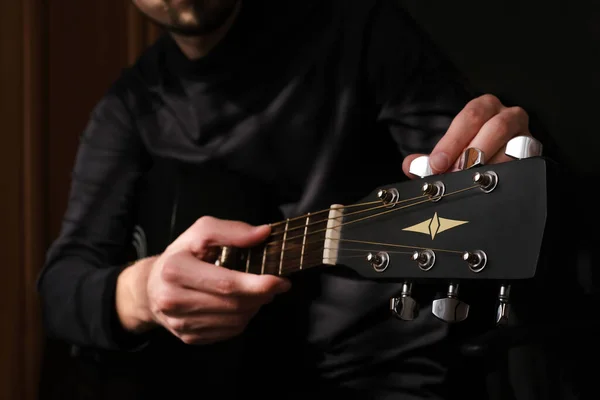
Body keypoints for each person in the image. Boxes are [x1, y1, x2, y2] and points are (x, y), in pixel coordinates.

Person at [37, 0, 539, 398]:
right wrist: (143, 291)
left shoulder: (359, 28)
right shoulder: (130, 105)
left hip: (380, 374)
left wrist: (509, 167)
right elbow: (60, 289)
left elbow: (486, 194)